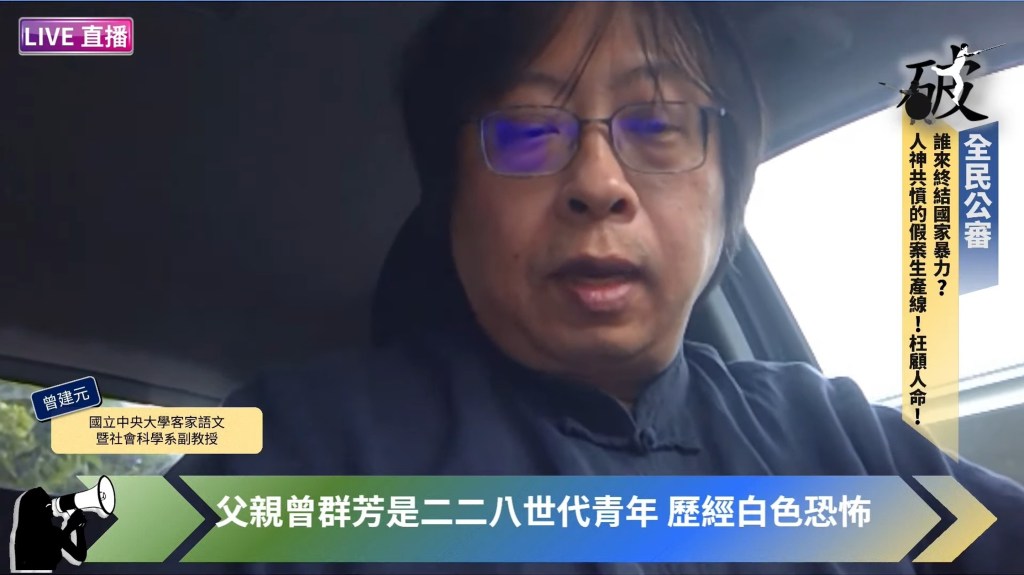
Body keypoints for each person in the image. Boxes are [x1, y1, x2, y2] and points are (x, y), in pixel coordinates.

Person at [152, 2, 1024, 574]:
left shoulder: (837, 437)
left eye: (659, 123)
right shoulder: (298, 446)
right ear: (451, 200)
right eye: (528, 132)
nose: (599, 182)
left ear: (729, 189)